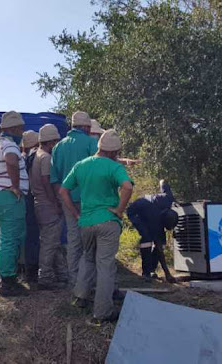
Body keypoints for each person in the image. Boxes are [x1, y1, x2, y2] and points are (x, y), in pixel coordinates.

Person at [60, 129, 134, 324]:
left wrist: (76, 214)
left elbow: (63, 190)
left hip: (86, 222)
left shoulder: (81, 165)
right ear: (113, 152)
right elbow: (127, 187)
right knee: (105, 265)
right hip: (108, 222)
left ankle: (80, 297)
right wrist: (119, 209)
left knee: (88, 259)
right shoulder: (113, 166)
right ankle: (102, 312)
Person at [0, 111, 29, 296]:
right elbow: (11, 161)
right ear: (13, 128)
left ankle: (6, 278)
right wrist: (15, 186)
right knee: (10, 240)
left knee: (5, 239)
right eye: (20, 128)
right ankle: (7, 281)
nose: (22, 131)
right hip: (9, 198)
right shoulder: (10, 145)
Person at [50, 111, 98, 286]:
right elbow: (97, 170)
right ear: (86, 127)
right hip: (88, 199)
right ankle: (90, 280)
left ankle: (73, 280)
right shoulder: (91, 143)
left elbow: (54, 178)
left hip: (67, 198)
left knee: (73, 238)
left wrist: (61, 197)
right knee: (91, 239)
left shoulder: (58, 147)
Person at [30, 124, 68, 290]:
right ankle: (45, 277)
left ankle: (62, 274)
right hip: (47, 205)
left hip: (39, 204)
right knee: (49, 243)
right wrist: (55, 203)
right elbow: (47, 181)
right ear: (51, 142)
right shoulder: (45, 157)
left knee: (53, 242)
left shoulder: (36, 155)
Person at [127, 180, 178, 283]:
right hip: (136, 212)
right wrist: (167, 274)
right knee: (147, 239)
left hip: (149, 209)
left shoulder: (168, 199)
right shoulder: (155, 221)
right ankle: (146, 273)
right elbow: (159, 250)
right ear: (162, 221)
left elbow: (163, 182)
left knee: (162, 242)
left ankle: (152, 269)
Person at [20, 130, 41, 288]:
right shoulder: (35, 158)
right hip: (30, 199)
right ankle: (31, 273)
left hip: (20, 199)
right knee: (32, 236)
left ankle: (23, 269)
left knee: (23, 236)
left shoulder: (21, 157)